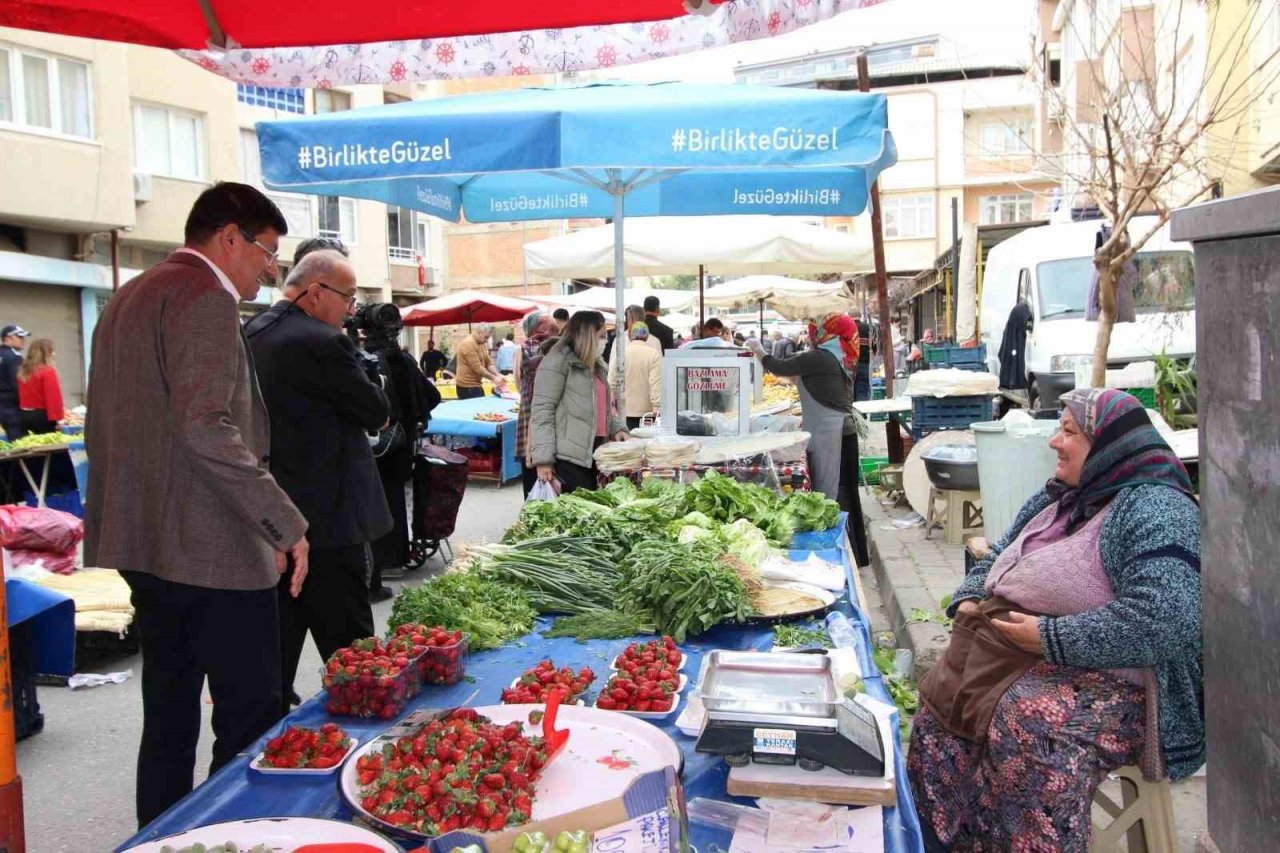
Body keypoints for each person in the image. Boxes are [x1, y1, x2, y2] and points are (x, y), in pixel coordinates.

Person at [84, 182, 309, 827]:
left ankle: (160, 834)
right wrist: (285, 523)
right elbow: (206, 426)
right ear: (229, 236)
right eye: (267, 252)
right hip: (208, 548)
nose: (270, 269)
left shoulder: (128, 296)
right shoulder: (205, 296)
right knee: (250, 712)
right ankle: (225, 835)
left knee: (170, 714)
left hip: (143, 543)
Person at [908, 389, 1202, 852]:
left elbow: (1165, 619)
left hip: (1133, 683)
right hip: (1034, 656)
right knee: (940, 700)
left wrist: (1049, 637)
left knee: (1027, 722)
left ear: (1108, 446)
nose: (1053, 442)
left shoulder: (1155, 509)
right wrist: (968, 597)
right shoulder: (1061, 500)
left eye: (1069, 431)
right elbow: (999, 556)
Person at [243, 249, 393, 717]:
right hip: (330, 522)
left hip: (271, 518)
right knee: (354, 662)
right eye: (347, 299)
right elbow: (376, 411)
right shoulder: (322, 343)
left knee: (271, 658)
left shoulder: (249, 333)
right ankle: (364, 752)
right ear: (314, 293)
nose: (351, 311)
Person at [750, 314, 869, 567]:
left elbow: (778, 366)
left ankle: (838, 558)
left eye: (815, 330)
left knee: (832, 495)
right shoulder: (841, 354)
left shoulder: (820, 357)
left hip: (832, 434)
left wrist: (758, 349)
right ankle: (854, 555)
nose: (812, 334)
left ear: (827, 334)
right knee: (845, 493)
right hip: (841, 432)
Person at [530, 311, 629, 493]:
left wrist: (617, 428)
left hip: (595, 451)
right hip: (568, 458)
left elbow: (599, 407)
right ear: (588, 336)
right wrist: (543, 460)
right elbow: (542, 411)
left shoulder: (595, 366)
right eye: (601, 336)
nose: (605, 341)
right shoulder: (557, 362)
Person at [513, 311, 561, 496]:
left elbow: (518, 381)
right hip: (553, 415)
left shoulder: (522, 349)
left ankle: (533, 505)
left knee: (531, 469)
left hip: (529, 415)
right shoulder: (560, 348)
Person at [611, 322, 662, 430]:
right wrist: (657, 407)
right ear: (647, 336)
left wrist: (612, 404)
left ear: (630, 335)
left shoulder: (621, 354)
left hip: (624, 411)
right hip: (647, 414)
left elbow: (613, 382)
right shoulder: (653, 354)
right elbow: (655, 383)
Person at [16, 338, 64, 432]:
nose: (54, 354)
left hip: (24, 415)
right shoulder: (48, 371)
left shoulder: (23, 371)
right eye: (52, 351)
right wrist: (58, 418)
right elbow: (53, 397)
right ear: (45, 354)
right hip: (42, 417)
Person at [454, 323, 507, 399]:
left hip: (476, 384)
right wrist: (494, 378)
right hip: (466, 386)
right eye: (486, 337)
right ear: (478, 333)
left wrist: (497, 374)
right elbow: (477, 367)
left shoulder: (481, 343)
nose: (486, 340)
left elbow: (488, 363)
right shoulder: (468, 344)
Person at [0, 324, 27, 440]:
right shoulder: (15, 357)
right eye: (19, 337)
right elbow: (18, 384)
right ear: (8, 339)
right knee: (18, 443)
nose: (23, 340)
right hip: (12, 407)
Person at [853, 316, 873, 402]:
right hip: (865, 363)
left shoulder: (848, 327)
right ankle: (862, 413)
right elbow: (875, 347)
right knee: (863, 390)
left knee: (851, 391)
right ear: (859, 316)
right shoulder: (868, 328)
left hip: (851, 365)